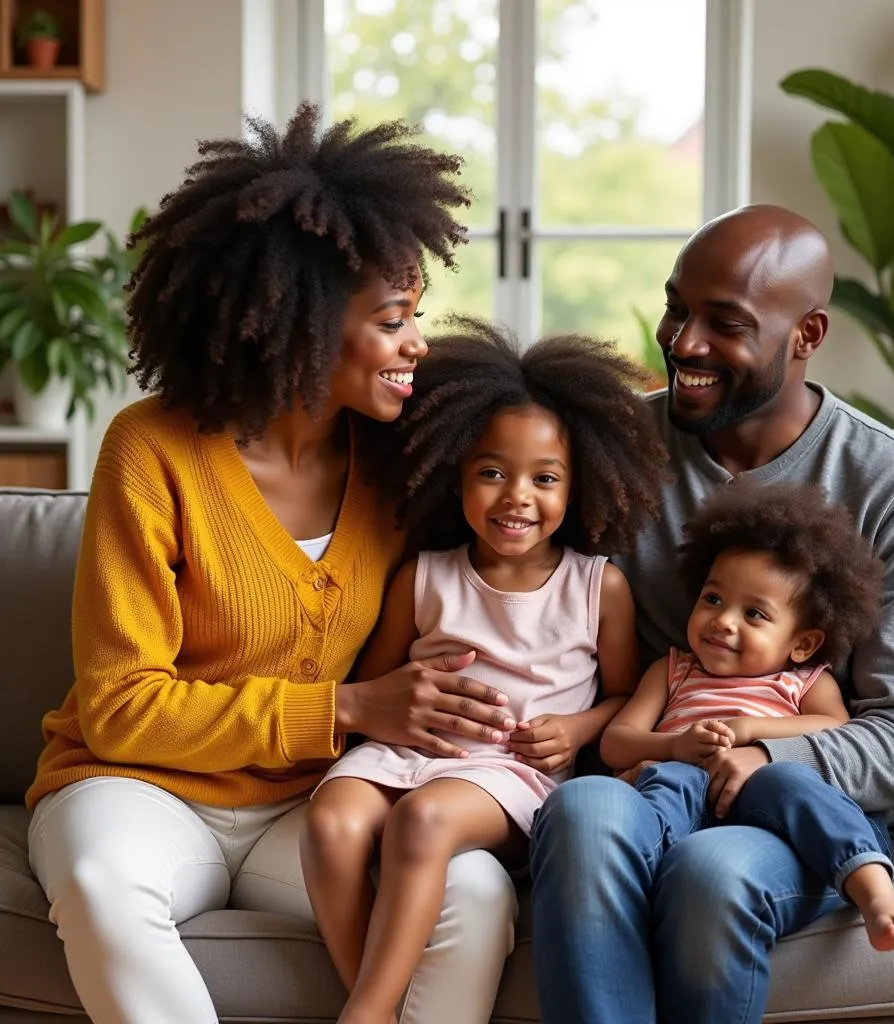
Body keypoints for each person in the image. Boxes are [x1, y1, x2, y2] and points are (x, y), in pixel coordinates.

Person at [24, 104, 527, 1024]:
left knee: (477, 895)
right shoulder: (152, 449)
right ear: (297, 325)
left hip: (312, 807)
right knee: (101, 882)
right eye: (393, 319)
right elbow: (123, 707)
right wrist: (343, 706)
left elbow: (540, 471)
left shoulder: (399, 458)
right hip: (138, 790)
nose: (419, 341)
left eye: (417, 315)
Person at [530, 203, 894, 1024]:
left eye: (724, 324)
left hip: (788, 809)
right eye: (676, 309)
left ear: (806, 335)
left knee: (713, 874)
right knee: (580, 811)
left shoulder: (893, 486)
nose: (682, 342)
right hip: (647, 780)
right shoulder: (620, 450)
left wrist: (761, 753)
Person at [301, 318, 668, 1024]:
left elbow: (623, 692)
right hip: (407, 752)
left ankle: (366, 1014)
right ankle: (370, 1001)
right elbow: (374, 687)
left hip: (507, 773)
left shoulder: (598, 588)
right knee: (333, 823)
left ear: (578, 485)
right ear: (454, 473)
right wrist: (410, 665)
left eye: (545, 478)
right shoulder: (425, 576)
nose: (516, 497)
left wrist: (579, 726)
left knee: (423, 820)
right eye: (492, 472)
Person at [601, 479, 894, 952]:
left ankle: (874, 893)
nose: (724, 621)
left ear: (803, 643)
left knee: (790, 782)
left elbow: (835, 727)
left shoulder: (803, 681)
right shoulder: (672, 670)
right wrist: (673, 746)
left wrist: (755, 733)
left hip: (763, 803)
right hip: (687, 789)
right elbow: (615, 742)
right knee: (662, 780)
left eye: (755, 614)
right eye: (713, 599)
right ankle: (639, 885)